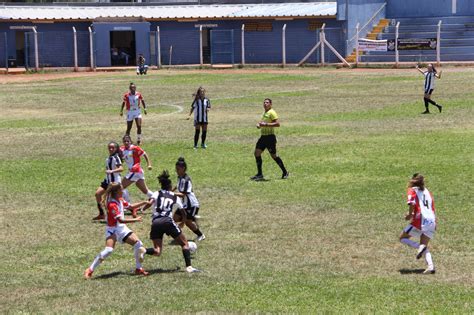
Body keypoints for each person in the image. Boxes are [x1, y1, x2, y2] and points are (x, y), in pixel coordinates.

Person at [84, 183, 149, 279]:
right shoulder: (112, 204)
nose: (123, 191)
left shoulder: (120, 200)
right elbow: (120, 220)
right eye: (121, 190)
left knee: (138, 244)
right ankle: (90, 269)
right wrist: (135, 220)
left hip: (122, 228)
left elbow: (130, 206)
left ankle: (138, 269)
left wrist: (144, 202)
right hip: (113, 230)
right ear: (116, 192)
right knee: (109, 250)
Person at [144, 170, 201, 273]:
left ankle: (144, 251)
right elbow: (183, 212)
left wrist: (143, 209)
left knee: (157, 251)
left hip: (156, 222)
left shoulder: (157, 193)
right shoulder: (174, 196)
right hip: (167, 221)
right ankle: (189, 267)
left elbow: (150, 202)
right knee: (184, 244)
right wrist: (183, 222)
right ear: (170, 187)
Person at [399, 173, 437, 274]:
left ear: (413, 180)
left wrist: (410, 214)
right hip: (432, 220)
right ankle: (430, 266)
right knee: (424, 244)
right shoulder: (427, 192)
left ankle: (420, 247)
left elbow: (411, 202)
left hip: (420, 220)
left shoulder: (413, 190)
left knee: (402, 238)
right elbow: (430, 207)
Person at [250, 98, 289, 181]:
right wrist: (259, 125)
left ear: (271, 104)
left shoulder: (272, 112)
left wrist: (266, 124)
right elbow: (263, 123)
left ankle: (285, 172)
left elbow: (278, 124)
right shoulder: (265, 113)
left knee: (274, 156)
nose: (265, 104)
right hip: (263, 137)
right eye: (264, 102)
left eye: (267, 102)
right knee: (257, 153)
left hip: (270, 138)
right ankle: (260, 174)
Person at [173, 157, 206, 241]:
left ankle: (201, 235)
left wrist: (171, 193)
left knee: (187, 222)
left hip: (192, 204)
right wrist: (170, 190)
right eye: (176, 169)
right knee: (175, 218)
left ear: (183, 168)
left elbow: (183, 194)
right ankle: (193, 219)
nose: (176, 170)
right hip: (184, 204)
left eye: (178, 169)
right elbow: (177, 186)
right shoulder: (180, 177)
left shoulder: (186, 180)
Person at [120, 135, 154, 216]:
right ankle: (157, 198)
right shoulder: (122, 149)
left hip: (135, 171)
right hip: (137, 172)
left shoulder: (135, 148)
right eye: (125, 141)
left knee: (120, 187)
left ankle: (128, 205)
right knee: (145, 190)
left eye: (128, 141)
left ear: (130, 141)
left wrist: (149, 164)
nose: (126, 143)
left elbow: (144, 154)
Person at [93, 141, 125, 221]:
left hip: (114, 182)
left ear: (116, 149)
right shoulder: (109, 158)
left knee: (113, 200)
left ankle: (119, 216)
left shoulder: (116, 157)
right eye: (109, 147)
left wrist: (111, 171)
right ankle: (101, 214)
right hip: (107, 181)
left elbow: (121, 168)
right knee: (97, 194)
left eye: (112, 147)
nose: (110, 149)